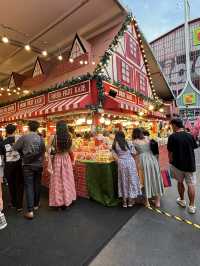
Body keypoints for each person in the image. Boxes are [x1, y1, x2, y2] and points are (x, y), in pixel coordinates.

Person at [14, 121, 45, 219]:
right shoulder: (41, 138)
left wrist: (23, 152)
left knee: (29, 186)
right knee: (37, 184)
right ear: (37, 128)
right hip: (39, 164)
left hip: (27, 165)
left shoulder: (24, 137)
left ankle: (30, 211)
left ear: (28, 127)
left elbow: (15, 147)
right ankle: (36, 205)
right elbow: (43, 150)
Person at [167, 119, 198, 214]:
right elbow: (194, 147)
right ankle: (192, 206)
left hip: (177, 164)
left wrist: (170, 161)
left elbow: (170, 152)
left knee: (180, 182)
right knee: (191, 184)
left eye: (172, 126)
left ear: (175, 125)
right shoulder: (190, 135)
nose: (171, 127)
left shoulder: (172, 137)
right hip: (190, 164)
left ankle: (182, 200)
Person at [132, 128, 164, 207]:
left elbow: (134, 154)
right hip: (152, 159)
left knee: (144, 180)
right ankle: (157, 201)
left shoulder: (134, 142)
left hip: (142, 160)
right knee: (155, 178)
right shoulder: (147, 138)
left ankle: (146, 202)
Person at [48, 120, 76, 209]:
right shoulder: (69, 136)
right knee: (67, 180)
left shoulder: (53, 137)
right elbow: (71, 150)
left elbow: (48, 150)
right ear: (66, 127)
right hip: (66, 159)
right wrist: (73, 160)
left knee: (57, 181)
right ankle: (67, 200)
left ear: (57, 127)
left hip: (57, 159)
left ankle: (58, 202)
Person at [112, 131, 141, 208]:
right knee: (131, 180)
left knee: (123, 181)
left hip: (121, 163)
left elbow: (114, 157)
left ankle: (124, 202)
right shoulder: (129, 143)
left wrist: (119, 161)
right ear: (124, 136)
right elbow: (134, 153)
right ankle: (130, 201)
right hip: (130, 162)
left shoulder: (115, 144)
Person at [0, 124, 23, 212]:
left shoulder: (2, 142)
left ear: (6, 131)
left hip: (8, 166)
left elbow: (1, 157)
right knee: (20, 184)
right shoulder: (19, 140)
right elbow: (23, 152)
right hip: (19, 164)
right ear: (14, 131)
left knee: (11, 185)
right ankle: (19, 206)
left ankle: (13, 203)